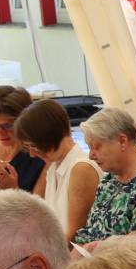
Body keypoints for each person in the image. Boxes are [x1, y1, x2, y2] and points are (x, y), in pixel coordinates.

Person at [16, 97, 101, 241]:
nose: (32, 154)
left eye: (34, 146)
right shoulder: (53, 167)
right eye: (28, 148)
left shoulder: (81, 168)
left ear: (51, 135)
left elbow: (75, 234)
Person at [75, 107, 136, 246]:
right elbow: (88, 233)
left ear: (122, 141)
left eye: (96, 147)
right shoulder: (108, 180)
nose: (90, 155)